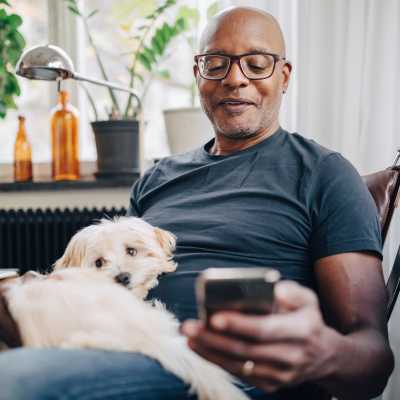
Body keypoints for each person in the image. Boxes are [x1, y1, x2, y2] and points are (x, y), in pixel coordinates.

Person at [0, 6, 393, 400]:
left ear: (284, 76)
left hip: (221, 373)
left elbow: (373, 362)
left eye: (257, 64)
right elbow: (117, 283)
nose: (235, 79)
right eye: (217, 63)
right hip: (123, 344)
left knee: (13, 381)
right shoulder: (156, 179)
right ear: (198, 75)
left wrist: (319, 354)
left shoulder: (326, 174)